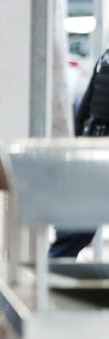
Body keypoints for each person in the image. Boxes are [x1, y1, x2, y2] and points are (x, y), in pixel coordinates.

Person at [48, 48, 109, 258]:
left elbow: (83, 110)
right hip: (101, 154)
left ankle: (50, 274)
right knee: (77, 230)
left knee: (76, 230)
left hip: (92, 148)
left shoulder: (105, 57)